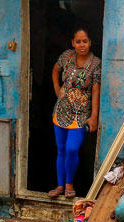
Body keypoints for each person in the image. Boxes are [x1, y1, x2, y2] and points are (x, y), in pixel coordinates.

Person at [49, 27, 101, 199]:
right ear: (73, 43)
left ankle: (69, 184)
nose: (82, 45)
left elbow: (96, 90)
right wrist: (57, 89)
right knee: (61, 150)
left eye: (85, 41)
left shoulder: (95, 63)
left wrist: (94, 117)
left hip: (80, 115)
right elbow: (55, 70)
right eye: (78, 41)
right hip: (61, 111)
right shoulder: (66, 56)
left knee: (72, 149)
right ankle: (59, 186)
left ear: (90, 42)